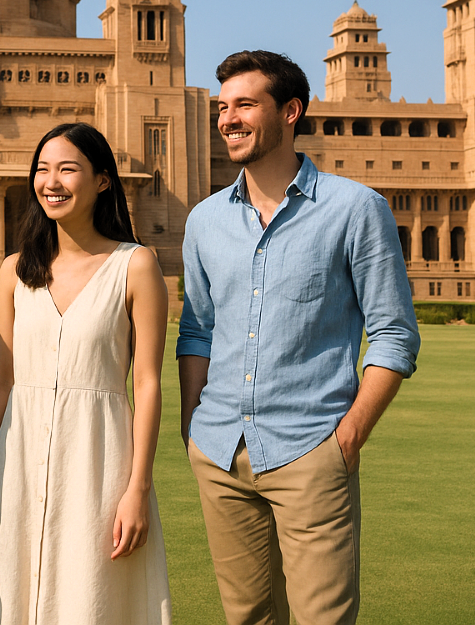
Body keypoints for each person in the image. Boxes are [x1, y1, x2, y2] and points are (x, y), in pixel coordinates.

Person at [178, 50, 420, 625]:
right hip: (220, 452)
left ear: (290, 111)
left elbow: (393, 335)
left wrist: (348, 437)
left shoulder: (356, 209)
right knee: (248, 619)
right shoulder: (204, 220)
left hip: (312, 448)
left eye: (244, 104)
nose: (227, 119)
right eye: (221, 107)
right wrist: (193, 423)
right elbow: (198, 329)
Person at [0, 123, 173, 625]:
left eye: (67, 169)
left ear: (102, 181)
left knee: (91, 595)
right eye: (42, 169)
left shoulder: (136, 265)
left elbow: (146, 383)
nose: (51, 181)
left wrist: (137, 488)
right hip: (17, 461)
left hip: (99, 458)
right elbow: (3, 378)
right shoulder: (15, 269)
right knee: (16, 594)